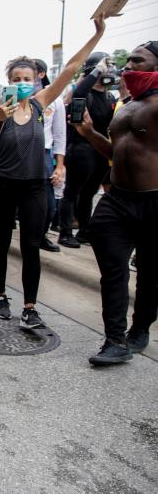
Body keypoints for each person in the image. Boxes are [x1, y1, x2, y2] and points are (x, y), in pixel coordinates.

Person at [0, 18, 104, 329]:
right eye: (16, 77)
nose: (23, 81)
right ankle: (0, 296)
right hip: (3, 186)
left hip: (35, 186)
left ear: (36, 79)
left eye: (28, 77)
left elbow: (71, 70)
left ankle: (30, 306)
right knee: (0, 242)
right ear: (8, 80)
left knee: (31, 247)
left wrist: (98, 34)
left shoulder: (40, 104)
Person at [73, 41, 158, 365]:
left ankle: (140, 329)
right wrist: (90, 133)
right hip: (117, 200)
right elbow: (117, 153)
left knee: (151, 275)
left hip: (154, 203)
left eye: (139, 61)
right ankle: (114, 340)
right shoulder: (126, 106)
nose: (129, 67)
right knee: (113, 272)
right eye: (128, 61)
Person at [58, 52, 115, 248]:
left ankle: (84, 230)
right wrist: (95, 71)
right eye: (103, 69)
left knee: (89, 193)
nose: (108, 72)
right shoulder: (84, 94)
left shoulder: (109, 97)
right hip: (81, 148)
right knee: (71, 192)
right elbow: (79, 92)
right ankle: (65, 232)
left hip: (100, 149)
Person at [33, 59, 67, 253]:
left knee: (49, 205)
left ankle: (41, 235)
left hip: (45, 155)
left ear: (42, 74)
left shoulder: (56, 101)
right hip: (21, 154)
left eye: (34, 73)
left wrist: (59, 165)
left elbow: (60, 135)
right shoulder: (18, 97)